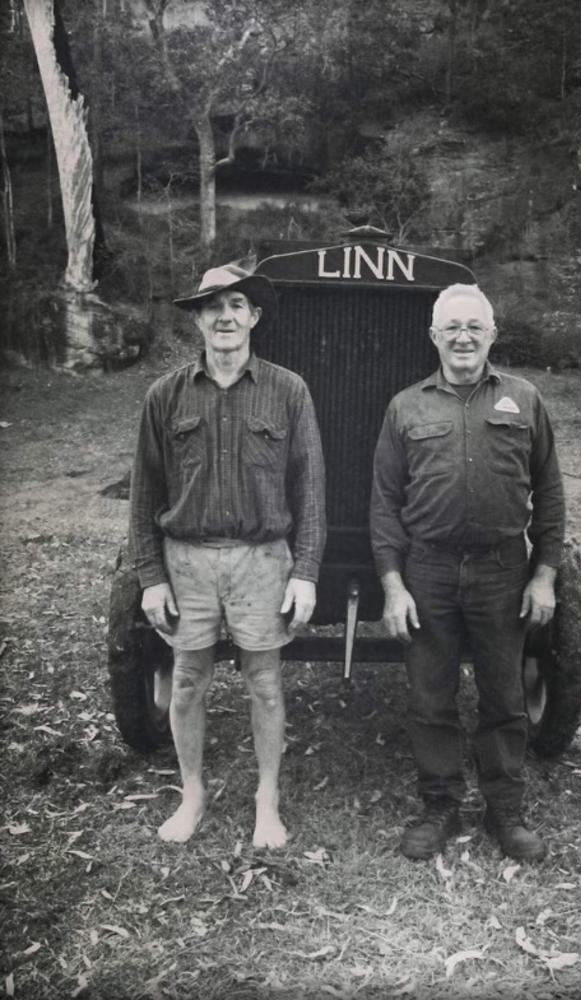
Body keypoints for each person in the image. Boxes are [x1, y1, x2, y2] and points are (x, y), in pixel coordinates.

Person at [130, 261, 326, 846]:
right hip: (186, 559)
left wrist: (307, 572)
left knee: (264, 682)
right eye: (212, 305)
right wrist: (150, 576)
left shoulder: (288, 390)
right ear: (197, 318)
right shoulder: (164, 396)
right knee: (188, 680)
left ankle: (268, 801)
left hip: (263, 559)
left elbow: (309, 487)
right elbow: (145, 493)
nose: (224, 316)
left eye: (236, 304)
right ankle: (192, 793)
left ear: (254, 317)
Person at [370, 283, 565, 862]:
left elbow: (550, 493)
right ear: (433, 336)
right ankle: (440, 806)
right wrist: (393, 583)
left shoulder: (525, 399)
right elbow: (384, 503)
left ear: (491, 335)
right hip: (427, 571)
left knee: (503, 697)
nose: (462, 337)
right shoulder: (406, 406)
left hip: (503, 571)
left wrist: (545, 574)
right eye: (451, 327)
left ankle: (505, 811)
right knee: (431, 698)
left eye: (474, 327)